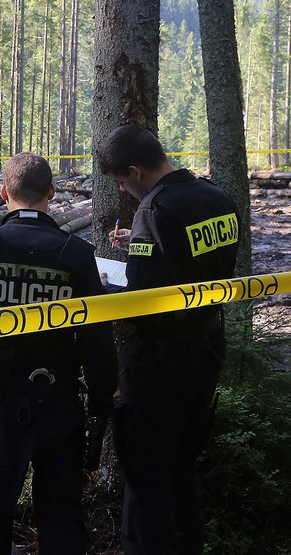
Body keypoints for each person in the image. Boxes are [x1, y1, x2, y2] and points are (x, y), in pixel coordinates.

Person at [0, 152, 117, 555]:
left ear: (3, 193)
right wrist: (101, 402)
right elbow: (97, 339)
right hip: (60, 408)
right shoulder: (76, 255)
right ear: (51, 192)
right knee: (63, 520)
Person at [96, 125, 240, 555]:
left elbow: (142, 298)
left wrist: (104, 289)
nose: (124, 190)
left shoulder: (155, 210)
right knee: (182, 467)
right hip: (207, 347)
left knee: (145, 474)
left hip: (160, 362)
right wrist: (139, 243)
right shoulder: (216, 197)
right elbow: (192, 261)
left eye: (122, 182)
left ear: (136, 170)